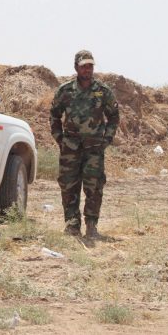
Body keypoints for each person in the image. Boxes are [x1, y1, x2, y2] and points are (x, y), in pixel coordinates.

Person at [50, 50, 119, 239]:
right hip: (70, 149)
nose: (87, 69)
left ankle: (91, 226)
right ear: (76, 67)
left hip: (94, 150)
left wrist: (107, 139)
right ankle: (72, 225)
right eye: (84, 66)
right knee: (69, 187)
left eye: (90, 66)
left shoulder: (103, 91)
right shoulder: (65, 91)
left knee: (94, 187)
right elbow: (54, 115)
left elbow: (113, 117)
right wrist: (60, 139)